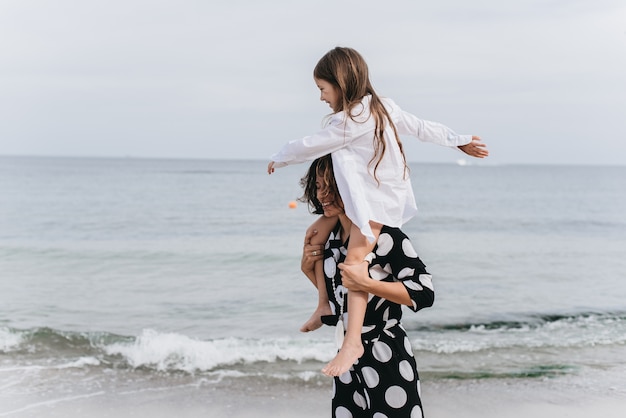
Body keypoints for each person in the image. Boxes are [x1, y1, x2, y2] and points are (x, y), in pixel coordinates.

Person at [268, 46, 488, 376]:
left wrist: (282, 157)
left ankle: (352, 341)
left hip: (373, 204)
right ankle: (324, 306)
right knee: (314, 235)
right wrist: (458, 140)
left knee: (355, 264)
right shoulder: (383, 107)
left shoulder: (353, 120)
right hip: (360, 199)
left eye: (322, 89)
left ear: (340, 84)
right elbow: (423, 127)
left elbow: (311, 144)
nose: (321, 98)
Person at [300, 155, 434, 417]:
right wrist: (309, 272)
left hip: (386, 351)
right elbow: (342, 297)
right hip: (347, 358)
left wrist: (367, 283)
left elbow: (424, 292)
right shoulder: (333, 238)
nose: (323, 195)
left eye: (331, 187)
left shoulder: (386, 236)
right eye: (318, 186)